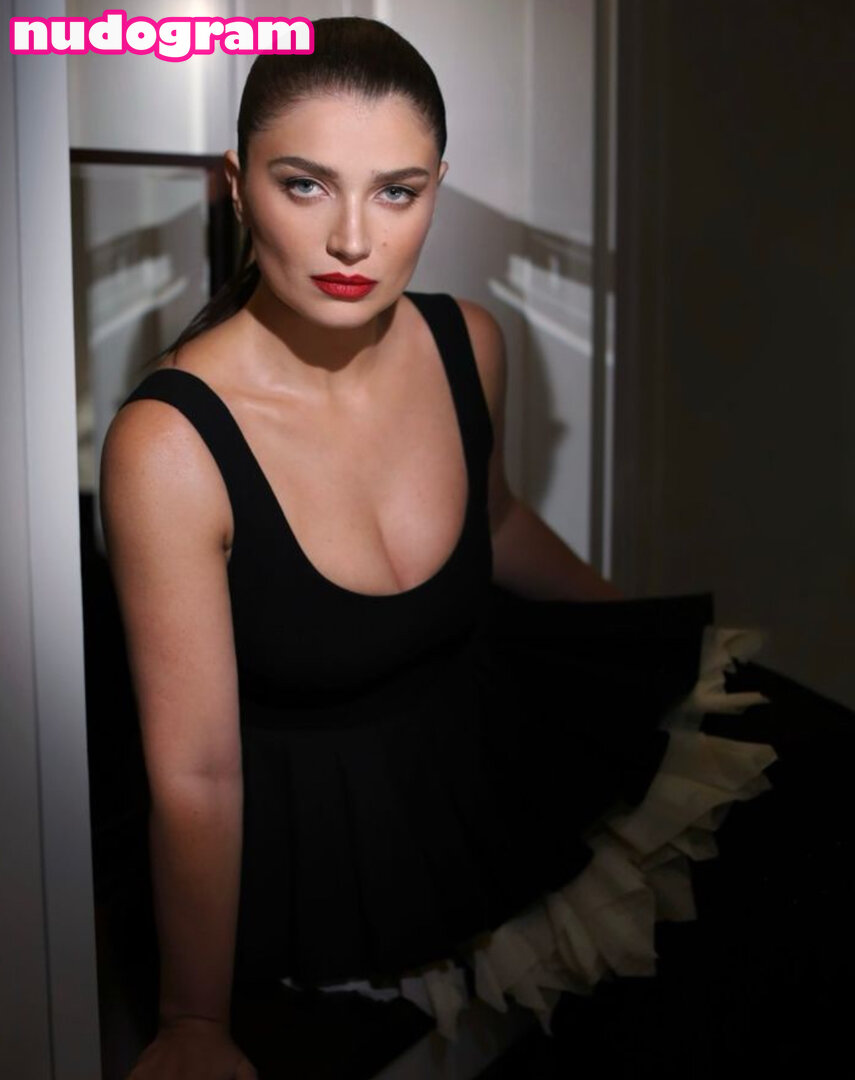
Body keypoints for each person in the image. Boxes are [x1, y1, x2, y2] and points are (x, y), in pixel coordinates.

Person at [100, 16, 777, 1079]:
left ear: (436, 191)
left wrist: (647, 641)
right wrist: (194, 1018)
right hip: (322, 878)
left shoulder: (471, 341)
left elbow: (494, 523)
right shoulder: (168, 445)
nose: (353, 241)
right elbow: (198, 771)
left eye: (397, 192)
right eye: (305, 185)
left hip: (489, 780)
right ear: (236, 185)